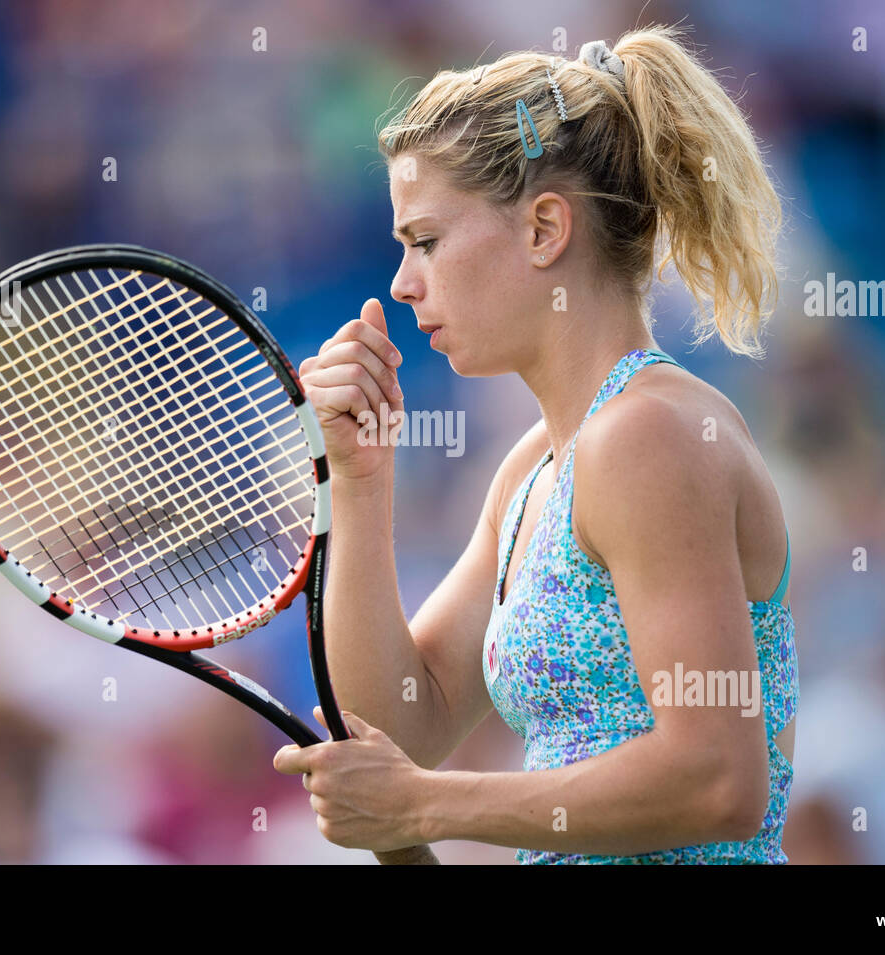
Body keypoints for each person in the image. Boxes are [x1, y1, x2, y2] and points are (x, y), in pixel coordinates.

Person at [274, 26, 798, 864]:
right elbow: (400, 726)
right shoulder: (532, 471)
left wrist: (425, 805)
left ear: (545, 228)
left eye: (426, 241)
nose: (402, 284)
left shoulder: (650, 437)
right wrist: (359, 481)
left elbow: (719, 779)